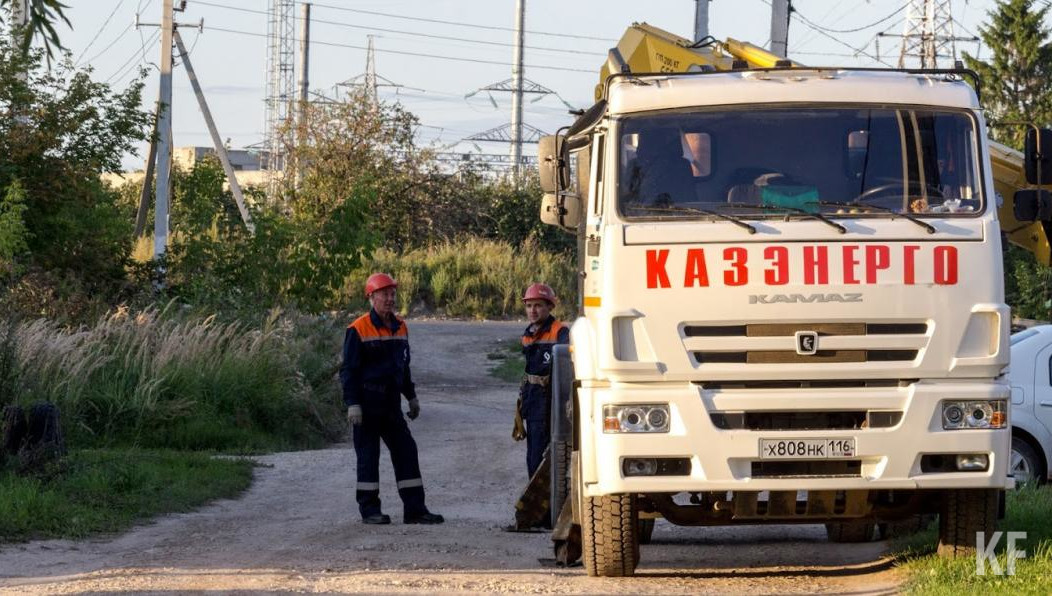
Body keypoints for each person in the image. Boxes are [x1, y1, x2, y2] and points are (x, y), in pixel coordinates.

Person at [341, 272, 444, 525]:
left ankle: (415, 510)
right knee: (368, 456)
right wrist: (352, 403)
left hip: (390, 405)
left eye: (392, 294)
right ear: (371, 297)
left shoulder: (400, 326)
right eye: (384, 294)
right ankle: (370, 510)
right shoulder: (358, 328)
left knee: (406, 451)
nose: (390, 299)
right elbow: (349, 371)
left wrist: (411, 396)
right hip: (366, 403)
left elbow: (403, 367)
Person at [518, 283, 571, 479]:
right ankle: (537, 503)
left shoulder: (561, 332)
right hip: (533, 401)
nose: (533, 310)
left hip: (552, 401)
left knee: (548, 455)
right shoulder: (527, 334)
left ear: (550, 307)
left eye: (538, 305)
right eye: (529, 306)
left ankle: (549, 504)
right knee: (533, 454)